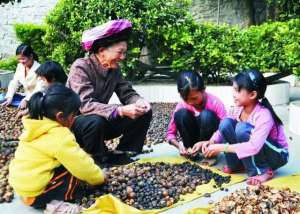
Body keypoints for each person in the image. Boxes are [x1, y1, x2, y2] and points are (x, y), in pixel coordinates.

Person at [66, 19, 152, 164]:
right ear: (102, 51)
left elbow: (127, 93)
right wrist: (120, 110)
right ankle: (97, 157)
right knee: (95, 121)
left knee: (144, 111)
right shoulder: (80, 67)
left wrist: (138, 101)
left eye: (124, 53)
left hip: (102, 121)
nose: (123, 57)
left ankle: (122, 152)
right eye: (120, 52)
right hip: (77, 125)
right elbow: (85, 105)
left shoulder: (115, 69)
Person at [9, 84, 105, 209]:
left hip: (22, 186)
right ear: (60, 116)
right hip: (36, 195)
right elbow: (82, 166)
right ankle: (57, 206)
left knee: (70, 162)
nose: (74, 119)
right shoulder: (60, 135)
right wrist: (100, 177)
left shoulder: (34, 125)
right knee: (77, 177)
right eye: (73, 116)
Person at [192, 69, 288, 185]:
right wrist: (210, 142)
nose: (233, 94)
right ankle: (236, 165)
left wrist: (221, 147)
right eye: (233, 89)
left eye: (237, 90)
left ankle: (263, 171)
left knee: (242, 129)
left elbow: (254, 147)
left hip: (276, 155)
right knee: (226, 123)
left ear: (252, 94)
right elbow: (222, 130)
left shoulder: (263, 115)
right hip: (257, 149)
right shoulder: (238, 108)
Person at [166, 71, 226, 158]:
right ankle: (191, 152)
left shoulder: (215, 103)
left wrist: (211, 142)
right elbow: (170, 134)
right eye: (185, 99)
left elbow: (226, 127)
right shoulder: (182, 105)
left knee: (206, 115)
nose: (190, 102)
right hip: (191, 144)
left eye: (194, 98)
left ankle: (208, 152)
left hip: (209, 143)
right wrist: (179, 146)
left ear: (203, 90)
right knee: (181, 114)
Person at [1, 44, 40, 109]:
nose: (21, 61)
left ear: (31, 56)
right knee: (2, 97)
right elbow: (14, 82)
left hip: (36, 97)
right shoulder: (20, 66)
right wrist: (9, 97)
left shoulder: (39, 68)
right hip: (24, 97)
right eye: (19, 59)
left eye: (23, 59)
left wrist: (26, 99)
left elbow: (40, 88)